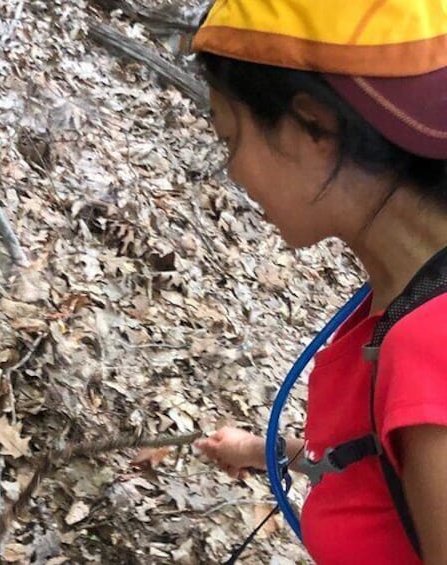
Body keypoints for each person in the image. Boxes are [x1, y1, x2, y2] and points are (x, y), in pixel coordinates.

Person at [189, 1, 447, 563]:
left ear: (315, 126)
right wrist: (267, 452)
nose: (232, 171)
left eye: (232, 138)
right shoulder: (396, 299)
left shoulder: (430, 345)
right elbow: (374, 460)